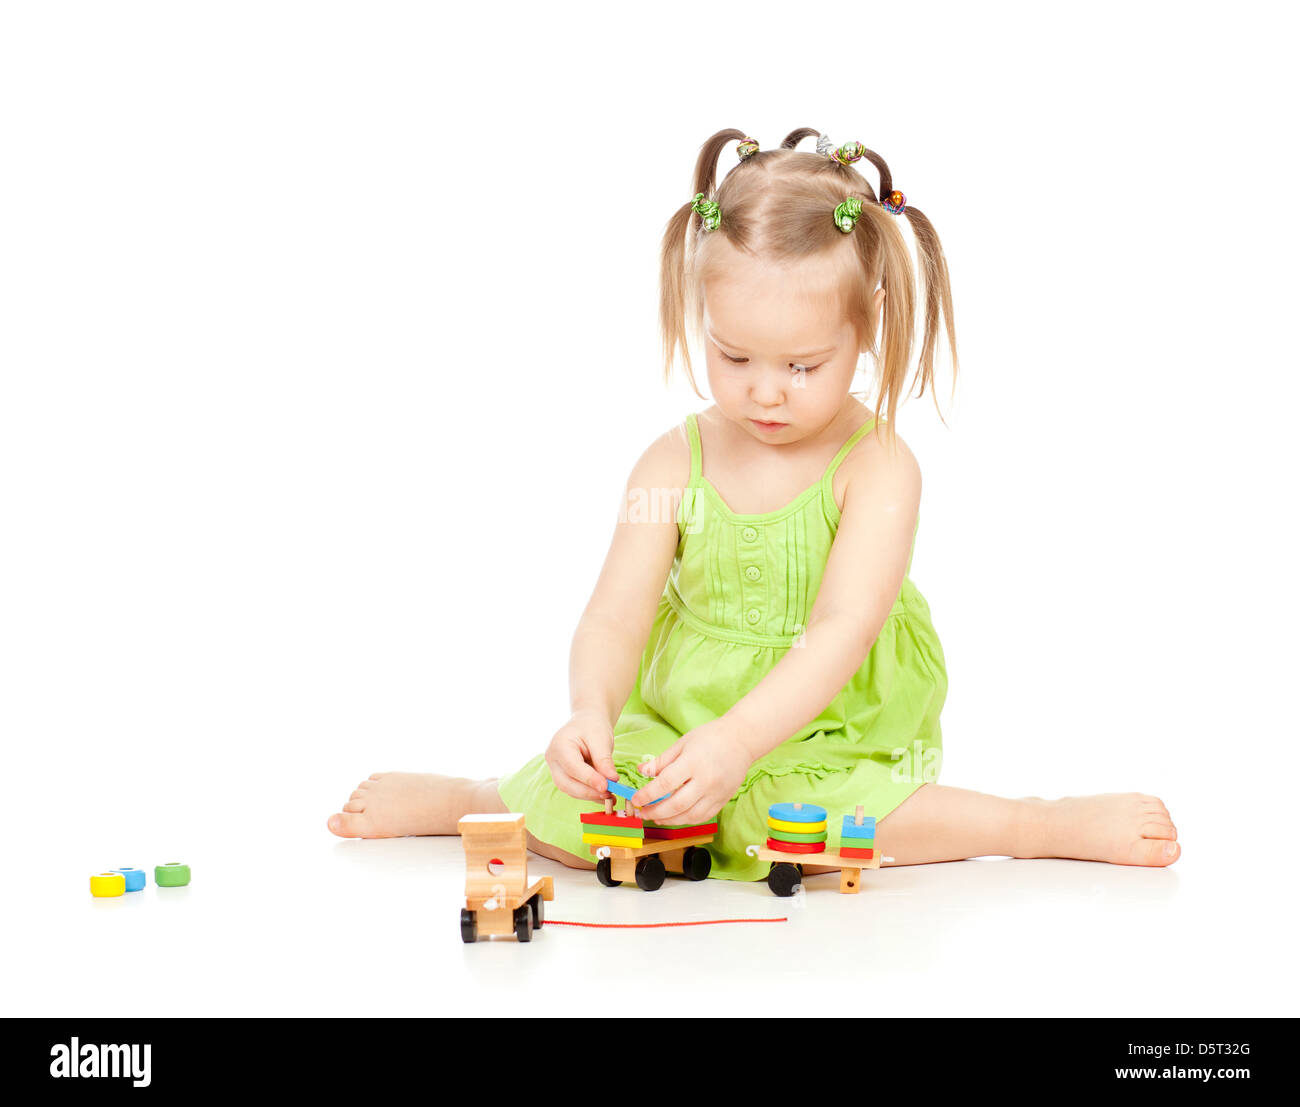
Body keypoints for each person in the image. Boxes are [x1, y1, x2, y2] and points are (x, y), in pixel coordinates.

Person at [327, 127, 1179, 876]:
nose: (766, 393)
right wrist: (590, 711)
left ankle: (1035, 824)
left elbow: (842, 630)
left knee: (839, 828)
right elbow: (615, 617)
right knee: (591, 809)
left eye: (802, 365)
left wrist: (742, 742)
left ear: (867, 327)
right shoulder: (670, 464)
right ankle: (469, 798)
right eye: (734, 357)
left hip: (830, 724)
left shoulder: (877, 467)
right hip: (682, 722)